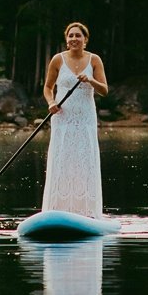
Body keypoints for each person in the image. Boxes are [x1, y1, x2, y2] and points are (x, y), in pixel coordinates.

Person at [41, 21, 109, 217]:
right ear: (66, 39)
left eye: (78, 35)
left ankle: (87, 212)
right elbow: (47, 87)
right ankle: (56, 210)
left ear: (85, 40)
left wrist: (91, 80)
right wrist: (51, 102)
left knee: (84, 163)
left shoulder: (94, 60)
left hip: (85, 119)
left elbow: (104, 90)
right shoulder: (57, 60)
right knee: (62, 161)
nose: (74, 39)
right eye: (70, 36)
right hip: (62, 119)